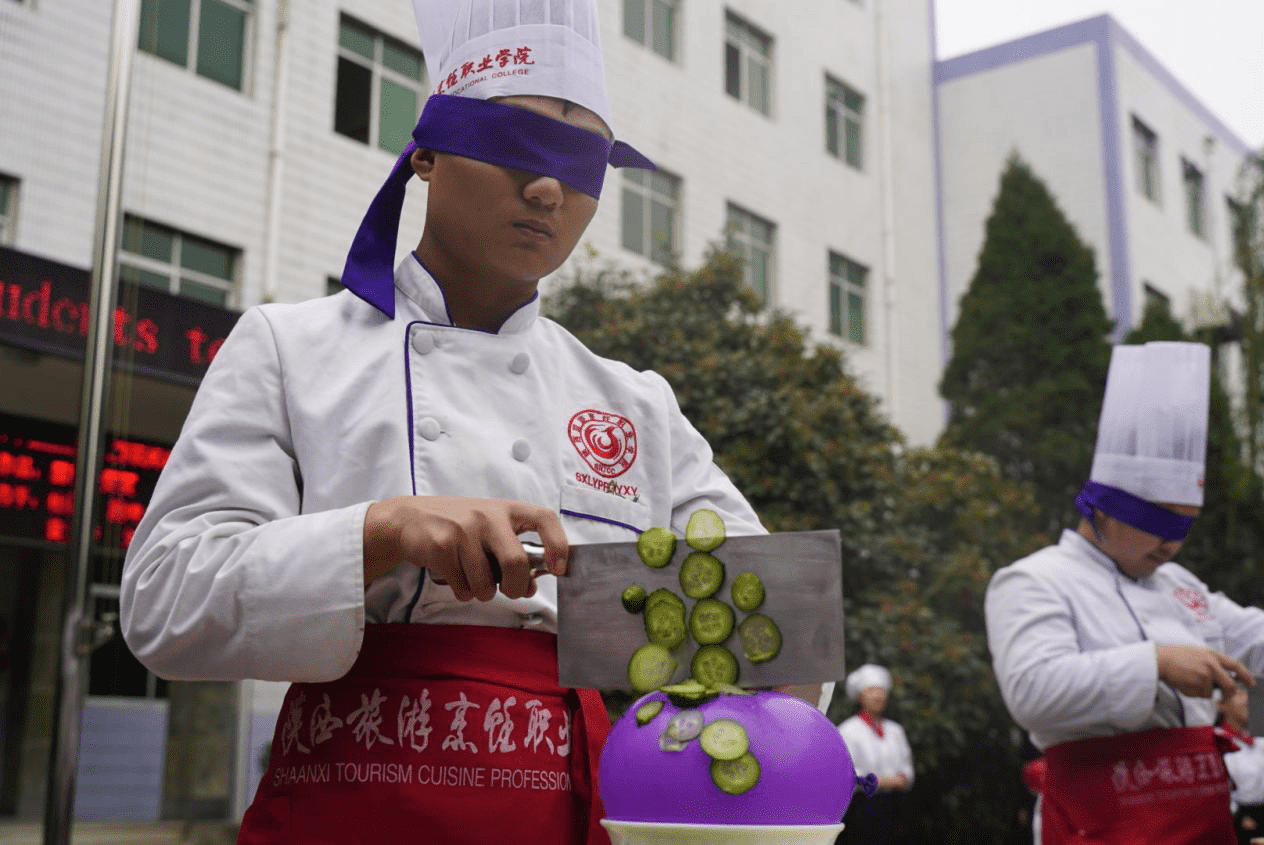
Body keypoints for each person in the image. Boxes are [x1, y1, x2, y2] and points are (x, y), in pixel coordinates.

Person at [118, 2, 766, 842]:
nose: (548, 189)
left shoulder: (634, 404)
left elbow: (773, 625)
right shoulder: (290, 348)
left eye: (580, 163)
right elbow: (163, 600)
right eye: (515, 145)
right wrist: (381, 531)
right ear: (425, 152)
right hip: (347, 810)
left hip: (569, 809)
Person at [985, 341, 1264, 844]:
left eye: (1185, 527)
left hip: (1200, 814)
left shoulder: (1180, 585)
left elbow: (1253, 638)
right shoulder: (1035, 579)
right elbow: (1031, 692)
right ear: (1105, 510)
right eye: (1158, 523)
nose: (1172, 545)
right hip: (1100, 818)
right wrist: (1156, 663)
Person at [836, 664, 914, 845]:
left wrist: (885, 780)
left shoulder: (895, 730)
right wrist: (888, 781)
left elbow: (907, 772)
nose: (878, 696)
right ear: (860, 696)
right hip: (862, 810)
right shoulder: (848, 730)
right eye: (871, 690)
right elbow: (849, 775)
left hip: (895, 807)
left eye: (881, 690)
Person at [1218, 688, 1264, 844]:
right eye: (1238, 694)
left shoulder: (1259, 738)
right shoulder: (1216, 740)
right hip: (1240, 819)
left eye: (1248, 693)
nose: (1247, 700)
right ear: (1221, 704)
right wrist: (1238, 816)